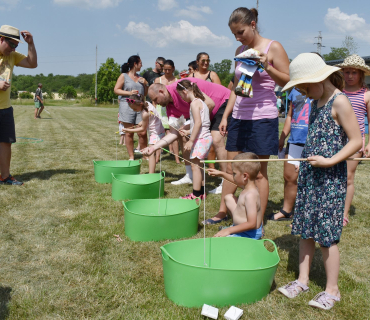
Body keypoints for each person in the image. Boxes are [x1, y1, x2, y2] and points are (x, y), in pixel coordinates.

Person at [277, 53, 362, 310]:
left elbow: (357, 141)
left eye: (304, 86)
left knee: (326, 235)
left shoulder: (340, 101)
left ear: (320, 79)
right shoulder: (316, 101)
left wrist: (330, 161)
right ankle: (302, 280)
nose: (302, 91)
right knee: (305, 229)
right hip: (311, 178)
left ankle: (332, 290)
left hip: (329, 181)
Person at [209, 7, 290, 224]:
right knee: (231, 166)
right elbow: (238, 86)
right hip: (239, 116)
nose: (238, 37)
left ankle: (257, 220)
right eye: (234, 34)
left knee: (258, 172)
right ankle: (223, 211)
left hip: (263, 118)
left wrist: (267, 66)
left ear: (253, 24)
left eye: (241, 32)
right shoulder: (240, 50)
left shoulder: (274, 47)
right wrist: (226, 116)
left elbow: (287, 82)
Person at [142, 79, 230, 194]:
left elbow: (209, 104)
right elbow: (174, 133)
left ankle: (226, 181)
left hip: (222, 101)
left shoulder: (180, 88)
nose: (155, 103)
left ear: (161, 92)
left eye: (155, 99)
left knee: (217, 138)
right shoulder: (169, 107)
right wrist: (154, 147)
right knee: (187, 141)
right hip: (208, 113)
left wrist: (190, 126)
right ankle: (192, 177)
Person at [0, 25, 37, 186]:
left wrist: (30, 43)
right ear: (1, 39)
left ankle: (5, 176)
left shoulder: (12, 56)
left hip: (5, 108)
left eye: (16, 45)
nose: (13, 48)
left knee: (6, 143)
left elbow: (32, 63)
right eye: (11, 44)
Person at [336, 54, 370, 226]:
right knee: (333, 175)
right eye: (346, 72)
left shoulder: (367, 95)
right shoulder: (338, 92)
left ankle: (344, 213)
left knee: (348, 177)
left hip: (355, 140)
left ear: (361, 74)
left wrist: (369, 144)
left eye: (354, 73)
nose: (349, 76)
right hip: (335, 138)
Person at [268, 88, 312, 221]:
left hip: (312, 141)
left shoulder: (318, 87)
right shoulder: (293, 90)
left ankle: (306, 213)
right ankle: (286, 211)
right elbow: (289, 116)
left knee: (309, 179)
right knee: (289, 176)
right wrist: (283, 137)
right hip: (294, 140)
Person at [209, 152, 263, 239]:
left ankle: (235, 229)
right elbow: (235, 180)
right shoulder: (249, 186)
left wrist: (228, 230)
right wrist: (221, 173)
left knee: (219, 242)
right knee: (228, 197)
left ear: (245, 176)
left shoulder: (250, 195)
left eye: (234, 173)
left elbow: (252, 224)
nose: (233, 176)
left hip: (248, 234)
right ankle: (235, 227)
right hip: (243, 229)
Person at [175, 80, 213, 199]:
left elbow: (198, 123)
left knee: (195, 166)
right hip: (205, 137)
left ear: (185, 91)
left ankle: (195, 195)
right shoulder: (200, 102)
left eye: (181, 96)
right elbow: (200, 124)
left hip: (201, 139)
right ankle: (201, 193)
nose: (182, 98)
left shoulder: (194, 103)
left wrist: (191, 140)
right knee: (198, 166)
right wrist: (187, 131)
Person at [114, 55, 148, 160]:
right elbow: (116, 90)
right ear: (135, 64)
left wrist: (146, 84)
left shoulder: (141, 78)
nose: (142, 65)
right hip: (126, 106)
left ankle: (145, 155)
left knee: (142, 132)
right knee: (128, 132)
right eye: (140, 63)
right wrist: (129, 92)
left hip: (140, 107)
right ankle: (131, 156)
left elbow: (145, 94)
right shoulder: (124, 76)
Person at [122, 94, 165, 173]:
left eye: (135, 108)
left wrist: (128, 130)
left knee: (150, 153)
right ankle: (153, 169)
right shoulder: (147, 104)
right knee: (154, 151)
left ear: (140, 104)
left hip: (155, 133)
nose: (134, 111)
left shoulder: (145, 113)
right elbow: (150, 116)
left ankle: (151, 174)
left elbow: (142, 129)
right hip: (160, 130)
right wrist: (142, 121)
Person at [154, 59, 180, 163]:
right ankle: (156, 157)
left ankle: (177, 158)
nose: (167, 72)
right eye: (165, 69)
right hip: (160, 109)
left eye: (169, 70)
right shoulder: (158, 80)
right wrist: (154, 109)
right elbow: (154, 97)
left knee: (174, 132)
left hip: (173, 109)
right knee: (159, 133)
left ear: (173, 69)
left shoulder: (177, 80)